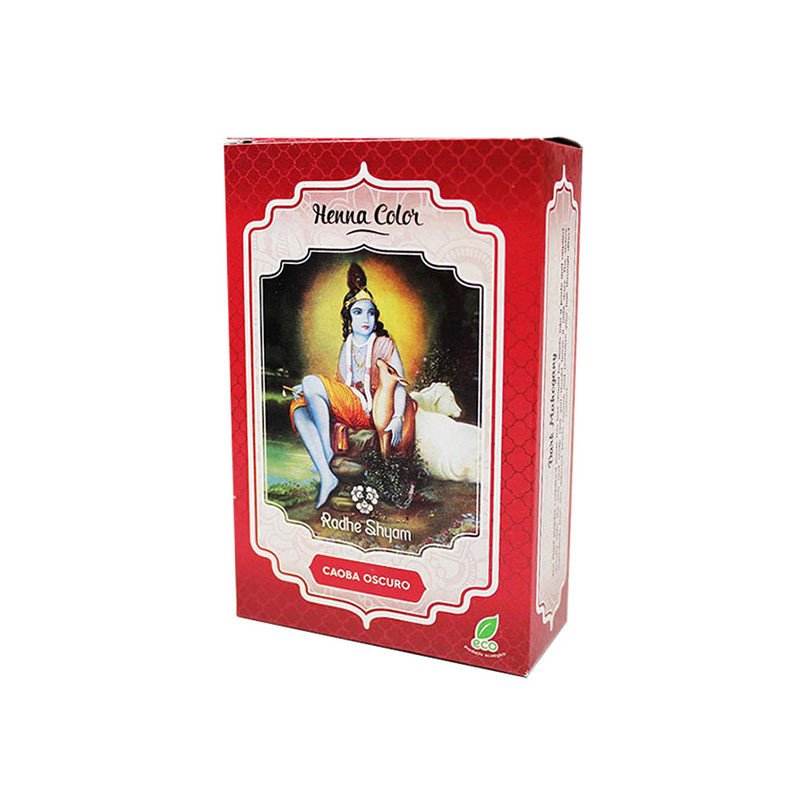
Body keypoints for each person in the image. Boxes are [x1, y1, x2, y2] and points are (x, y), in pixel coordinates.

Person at [289, 262, 415, 508]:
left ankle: (326, 454)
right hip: (350, 406)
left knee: (310, 381)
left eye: (371, 313)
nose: (366, 319)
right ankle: (327, 474)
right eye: (358, 312)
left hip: (373, 411)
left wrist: (398, 417)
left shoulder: (384, 343)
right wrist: (310, 392)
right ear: (349, 318)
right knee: (299, 407)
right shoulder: (347, 346)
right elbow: (340, 386)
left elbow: (399, 385)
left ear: (376, 317)